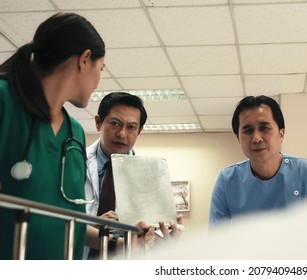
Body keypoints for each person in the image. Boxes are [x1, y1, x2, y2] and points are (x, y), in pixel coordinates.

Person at [0, 12, 105, 259]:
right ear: (85, 59)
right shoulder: (4, 101)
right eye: (101, 68)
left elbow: (66, 220)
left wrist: (122, 239)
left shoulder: (74, 133)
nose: (99, 81)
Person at [84, 91, 182, 259]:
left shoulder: (150, 177)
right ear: (98, 123)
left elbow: (152, 240)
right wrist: (93, 222)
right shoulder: (74, 164)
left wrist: (163, 237)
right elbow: (55, 221)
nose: (122, 134)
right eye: (115, 123)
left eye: (131, 127)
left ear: (140, 130)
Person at [209, 95, 307, 226]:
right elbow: (216, 237)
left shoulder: (306, 171)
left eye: (264, 128)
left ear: (281, 134)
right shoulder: (227, 180)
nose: (256, 138)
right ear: (238, 139)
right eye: (248, 130)